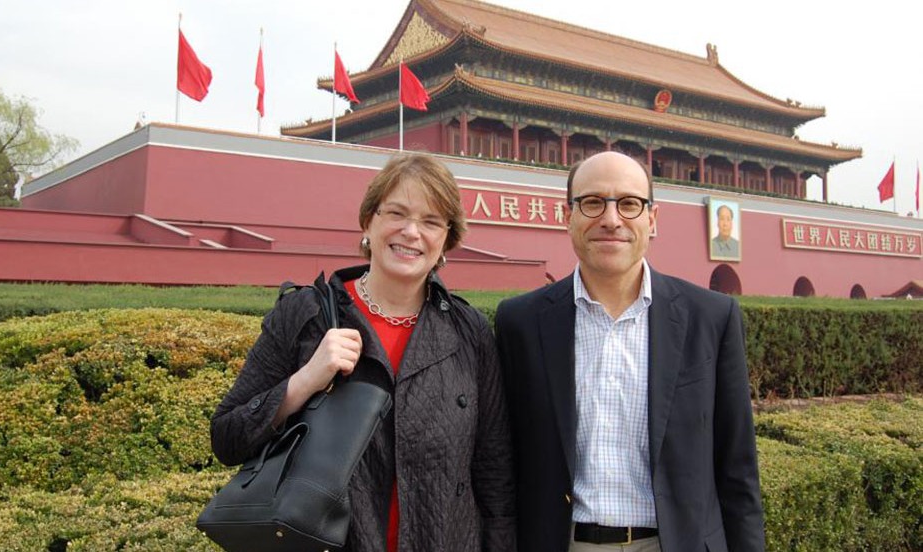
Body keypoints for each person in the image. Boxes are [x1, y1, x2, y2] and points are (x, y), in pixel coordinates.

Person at [210, 153, 516, 552]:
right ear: (369, 221)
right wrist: (304, 382)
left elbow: (494, 471)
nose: (411, 232)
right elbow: (227, 436)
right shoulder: (308, 314)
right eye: (397, 213)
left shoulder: (468, 330)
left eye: (431, 221)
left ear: (446, 239)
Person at [495, 152, 764, 552]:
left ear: (652, 219)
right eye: (592, 202)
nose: (611, 219)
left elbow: (737, 467)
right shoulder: (520, 322)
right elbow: (502, 461)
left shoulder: (710, 317)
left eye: (629, 203)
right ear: (566, 215)